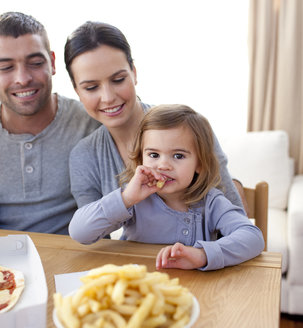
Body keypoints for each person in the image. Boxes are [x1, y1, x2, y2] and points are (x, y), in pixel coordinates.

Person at [64, 21, 248, 216]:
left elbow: (236, 220)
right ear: (77, 90)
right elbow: (92, 236)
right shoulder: (84, 156)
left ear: (134, 73)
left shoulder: (191, 128)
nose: (108, 97)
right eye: (91, 87)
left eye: (118, 80)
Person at [69, 104, 264, 271]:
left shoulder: (211, 202)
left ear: (200, 164)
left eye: (178, 156)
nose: (163, 165)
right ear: (140, 159)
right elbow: (79, 232)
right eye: (154, 155)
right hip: (137, 287)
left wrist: (202, 255)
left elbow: (253, 238)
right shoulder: (134, 199)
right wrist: (126, 198)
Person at [0, 12, 99, 234]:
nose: (23, 78)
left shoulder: (92, 121)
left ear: (52, 63)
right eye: (5, 67)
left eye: (35, 63)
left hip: (76, 262)